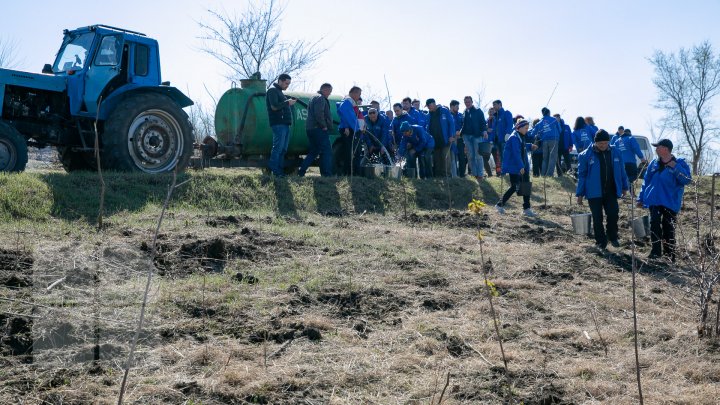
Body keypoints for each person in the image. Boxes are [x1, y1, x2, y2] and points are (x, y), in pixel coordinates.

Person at [637, 139, 692, 262]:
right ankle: (655, 252)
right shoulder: (653, 163)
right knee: (654, 225)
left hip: (670, 202)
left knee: (669, 228)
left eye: (658, 147)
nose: (656, 149)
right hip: (654, 200)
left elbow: (687, 180)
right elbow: (646, 182)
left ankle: (669, 255)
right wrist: (640, 198)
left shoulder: (680, 163)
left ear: (666, 149)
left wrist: (675, 167)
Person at [576, 130, 629, 250]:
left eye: (606, 143)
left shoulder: (616, 152)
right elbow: (582, 175)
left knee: (613, 213)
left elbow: (622, 170)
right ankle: (600, 242)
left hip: (611, 190)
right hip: (593, 192)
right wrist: (580, 193)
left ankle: (613, 236)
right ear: (595, 142)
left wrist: (625, 186)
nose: (603, 146)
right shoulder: (585, 155)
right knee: (597, 217)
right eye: (600, 144)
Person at [495, 120, 538, 217]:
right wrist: (520, 166)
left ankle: (526, 209)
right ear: (519, 128)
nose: (527, 130)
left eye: (528, 128)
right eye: (526, 128)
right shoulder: (514, 138)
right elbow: (516, 153)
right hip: (515, 167)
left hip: (522, 166)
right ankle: (499, 205)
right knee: (515, 186)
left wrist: (530, 146)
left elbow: (522, 147)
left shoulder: (520, 136)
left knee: (525, 186)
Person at [299, 83, 334, 177]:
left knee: (314, 151)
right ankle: (326, 174)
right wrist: (324, 126)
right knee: (326, 151)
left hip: (310, 128)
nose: (329, 94)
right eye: (329, 92)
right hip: (319, 129)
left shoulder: (313, 98)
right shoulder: (321, 98)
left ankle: (301, 171)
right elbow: (319, 113)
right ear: (325, 90)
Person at [265, 73, 297, 176]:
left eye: (289, 84)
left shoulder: (280, 92)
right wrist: (288, 102)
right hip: (278, 124)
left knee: (283, 149)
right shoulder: (272, 91)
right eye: (286, 83)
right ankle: (275, 170)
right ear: (280, 81)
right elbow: (274, 107)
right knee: (278, 148)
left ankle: (279, 171)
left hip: (285, 124)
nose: (287, 85)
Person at [460, 96, 489, 181]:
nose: (467, 103)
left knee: (478, 155)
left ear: (472, 102)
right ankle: (475, 174)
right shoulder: (464, 112)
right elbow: (464, 124)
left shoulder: (478, 110)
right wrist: (461, 133)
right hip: (466, 136)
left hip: (476, 136)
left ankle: (480, 175)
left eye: (469, 102)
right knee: (470, 156)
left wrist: (484, 131)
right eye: (465, 102)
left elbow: (483, 122)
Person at [337, 86, 364, 175]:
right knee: (350, 151)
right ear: (354, 93)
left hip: (354, 129)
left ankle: (355, 172)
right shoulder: (347, 101)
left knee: (356, 151)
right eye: (359, 94)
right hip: (349, 129)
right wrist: (346, 127)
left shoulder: (352, 102)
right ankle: (349, 172)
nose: (359, 96)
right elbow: (343, 114)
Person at [425, 99, 455, 177]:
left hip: (445, 139)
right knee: (436, 159)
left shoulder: (444, 110)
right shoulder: (428, 115)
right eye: (427, 106)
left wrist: (451, 135)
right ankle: (438, 176)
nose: (428, 108)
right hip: (434, 141)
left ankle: (447, 176)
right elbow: (427, 127)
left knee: (445, 157)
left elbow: (451, 123)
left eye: (429, 105)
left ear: (434, 104)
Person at [536, 107, 562, 177]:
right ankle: (549, 175)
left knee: (545, 158)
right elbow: (560, 130)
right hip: (554, 140)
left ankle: (543, 174)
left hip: (544, 141)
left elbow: (538, 132)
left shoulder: (540, 121)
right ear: (549, 113)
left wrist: (542, 137)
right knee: (552, 157)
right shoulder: (554, 119)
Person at [491, 100, 514, 176]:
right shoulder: (495, 116)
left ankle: (509, 172)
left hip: (505, 139)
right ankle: (503, 172)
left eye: (495, 105)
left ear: (500, 104)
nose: (493, 106)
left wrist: (508, 134)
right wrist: (492, 138)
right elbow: (494, 128)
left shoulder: (506, 113)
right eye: (493, 105)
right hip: (497, 140)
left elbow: (510, 124)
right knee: (500, 156)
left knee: (506, 155)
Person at [449, 100, 465, 177]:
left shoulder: (460, 115)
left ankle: (462, 174)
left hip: (460, 139)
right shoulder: (448, 115)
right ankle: (454, 175)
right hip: (452, 139)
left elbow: (464, 125)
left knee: (462, 157)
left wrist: (460, 132)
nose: (458, 108)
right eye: (456, 106)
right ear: (451, 106)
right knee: (453, 157)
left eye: (458, 106)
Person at [482, 107, 496, 176]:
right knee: (484, 159)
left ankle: (499, 173)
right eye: (490, 111)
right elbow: (482, 129)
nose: (491, 113)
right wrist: (486, 129)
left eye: (492, 111)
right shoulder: (486, 121)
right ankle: (490, 174)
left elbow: (497, 130)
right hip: (486, 143)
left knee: (497, 159)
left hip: (495, 142)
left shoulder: (497, 120)